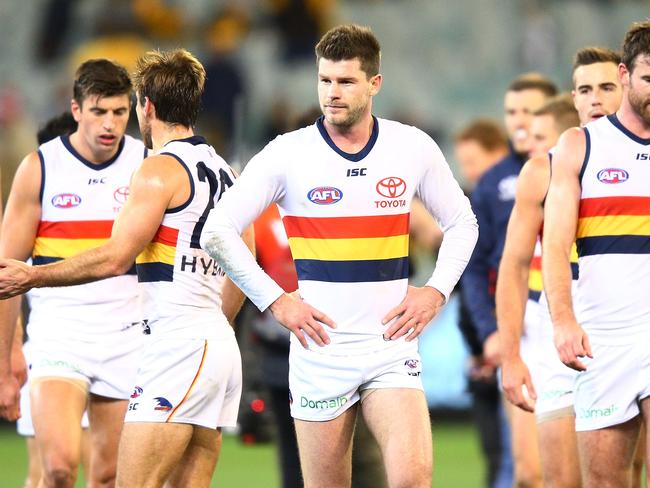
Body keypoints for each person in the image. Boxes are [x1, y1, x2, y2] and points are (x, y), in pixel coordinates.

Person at [200, 24, 478, 488]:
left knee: (414, 480)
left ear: (375, 84)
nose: (332, 92)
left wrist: (435, 292)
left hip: (390, 348)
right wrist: (275, 301)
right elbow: (218, 231)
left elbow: (463, 224)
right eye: (325, 80)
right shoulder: (287, 153)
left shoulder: (411, 147)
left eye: (346, 81)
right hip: (319, 352)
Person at [0, 48, 253, 488]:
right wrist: (219, 324)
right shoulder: (225, 171)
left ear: (146, 106)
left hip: (174, 345)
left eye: (125, 107)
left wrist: (34, 275)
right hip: (215, 349)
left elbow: (117, 256)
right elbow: (244, 263)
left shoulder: (156, 169)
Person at [0, 59, 145, 488]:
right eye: (99, 111)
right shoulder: (40, 167)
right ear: (76, 109)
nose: (110, 123)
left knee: (108, 474)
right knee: (60, 467)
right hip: (59, 336)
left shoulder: (147, 165)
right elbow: (7, 272)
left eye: (120, 112)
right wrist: (6, 357)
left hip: (127, 336)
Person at [543, 21, 650, 487]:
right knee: (605, 481)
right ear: (626, 75)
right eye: (649, 77)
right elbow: (554, 244)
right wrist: (563, 320)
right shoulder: (580, 146)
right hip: (603, 338)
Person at [460, 72, 557, 488]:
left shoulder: (576, 173)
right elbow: (474, 265)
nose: (520, 123)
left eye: (530, 112)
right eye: (512, 112)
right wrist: (491, 333)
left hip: (572, 326)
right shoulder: (492, 183)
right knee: (526, 470)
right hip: (520, 330)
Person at [496, 92, 584, 488]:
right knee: (539, 474)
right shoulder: (528, 184)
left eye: (541, 136)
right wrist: (506, 350)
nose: (529, 144)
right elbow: (508, 267)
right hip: (542, 326)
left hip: (610, 328)